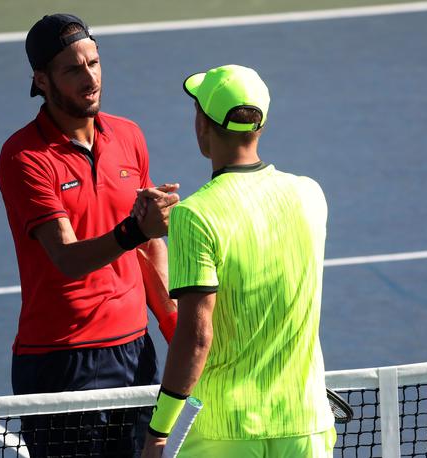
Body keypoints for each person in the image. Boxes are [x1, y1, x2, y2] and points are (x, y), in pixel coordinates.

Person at [0, 13, 178, 458]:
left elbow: (150, 242)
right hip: (61, 359)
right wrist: (136, 228)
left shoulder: (129, 136)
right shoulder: (25, 157)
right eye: (72, 70)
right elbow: (67, 257)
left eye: (94, 63)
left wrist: (174, 322)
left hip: (135, 352)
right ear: (41, 80)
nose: (89, 78)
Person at [140, 65, 336, 457]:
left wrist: (159, 431)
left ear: (202, 124)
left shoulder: (194, 216)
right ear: (259, 126)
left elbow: (196, 338)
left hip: (223, 433)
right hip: (305, 426)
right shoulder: (310, 195)